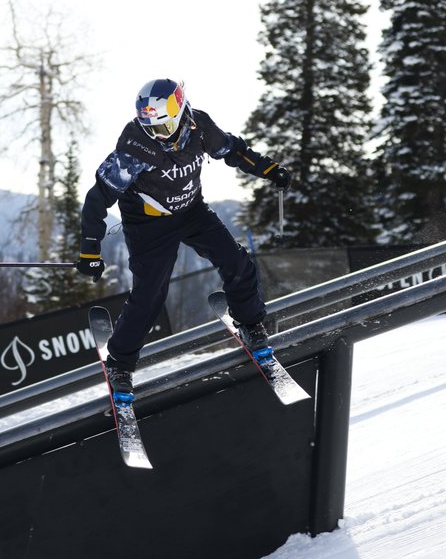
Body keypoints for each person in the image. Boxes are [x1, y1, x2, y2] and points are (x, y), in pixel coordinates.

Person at [75, 78, 291, 396]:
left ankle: (250, 324)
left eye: (163, 127)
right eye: (150, 128)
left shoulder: (200, 127)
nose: (158, 135)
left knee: (236, 262)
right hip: (148, 224)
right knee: (150, 294)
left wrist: (268, 169)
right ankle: (120, 364)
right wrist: (90, 251)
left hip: (192, 211)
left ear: (180, 115)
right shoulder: (135, 147)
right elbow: (97, 199)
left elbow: (233, 151)